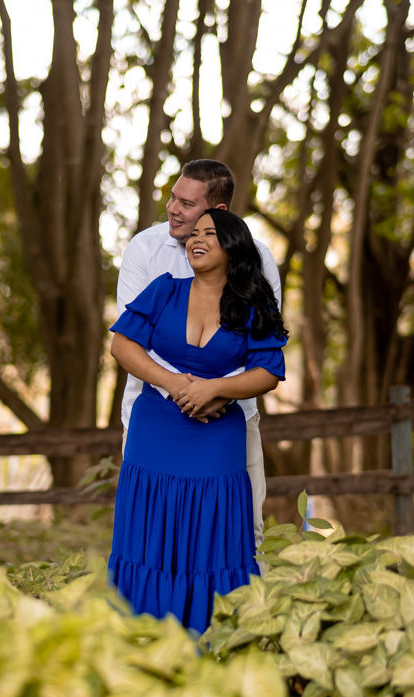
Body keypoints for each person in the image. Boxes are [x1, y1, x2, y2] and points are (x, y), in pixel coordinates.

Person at [108, 208, 288, 632]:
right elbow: (122, 346)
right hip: (154, 430)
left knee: (212, 538)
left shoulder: (251, 307)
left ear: (233, 248)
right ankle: (143, 635)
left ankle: (212, 636)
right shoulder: (164, 290)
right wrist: (173, 383)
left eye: (209, 233)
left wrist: (215, 389)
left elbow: (268, 371)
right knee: (149, 539)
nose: (195, 239)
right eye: (193, 234)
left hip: (217, 436)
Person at [116, 159, 282, 551]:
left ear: (217, 212)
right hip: (154, 410)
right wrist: (184, 389)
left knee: (239, 531)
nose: (173, 209)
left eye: (186, 204)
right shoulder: (146, 249)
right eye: (173, 197)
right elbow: (130, 338)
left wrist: (217, 391)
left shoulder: (258, 260)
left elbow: (262, 349)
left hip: (230, 415)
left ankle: (232, 611)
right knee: (149, 535)